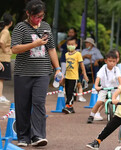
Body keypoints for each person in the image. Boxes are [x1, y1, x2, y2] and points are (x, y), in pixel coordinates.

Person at [11, 0, 62, 147]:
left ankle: (38, 136)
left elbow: (51, 49)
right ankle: (23, 137)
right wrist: (35, 44)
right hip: (23, 73)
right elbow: (15, 49)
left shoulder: (46, 27)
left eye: (41, 16)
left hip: (42, 72)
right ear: (28, 14)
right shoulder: (20, 27)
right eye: (36, 16)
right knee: (23, 105)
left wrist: (57, 68)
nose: (39, 19)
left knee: (39, 103)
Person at [87, 51, 121, 123]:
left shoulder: (117, 69)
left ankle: (119, 116)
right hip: (104, 88)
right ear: (105, 61)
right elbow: (98, 77)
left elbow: (119, 78)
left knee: (117, 102)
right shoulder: (103, 68)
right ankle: (92, 115)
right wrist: (96, 86)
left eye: (114, 61)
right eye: (110, 61)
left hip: (114, 88)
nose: (112, 63)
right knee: (99, 102)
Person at [62, 37, 88, 114]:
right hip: (67, 76)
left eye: (72, 44)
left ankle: (69, 106)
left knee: (71, 92)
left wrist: (85, 74)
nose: (70, 46)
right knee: (67, 91)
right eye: (69, 44)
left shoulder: (78, 54)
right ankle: (70, 107)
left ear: (76, 45)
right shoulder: (66, 54)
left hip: (74, 77)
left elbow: (82, 65)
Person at [0, 13, 13, 103]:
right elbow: (1, 42)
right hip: (3, 58)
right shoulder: (6, 32)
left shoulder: (3, 31)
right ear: (11, 23)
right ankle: (0, 96)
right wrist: (5, 50)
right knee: (1, 78)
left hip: (3, 58)